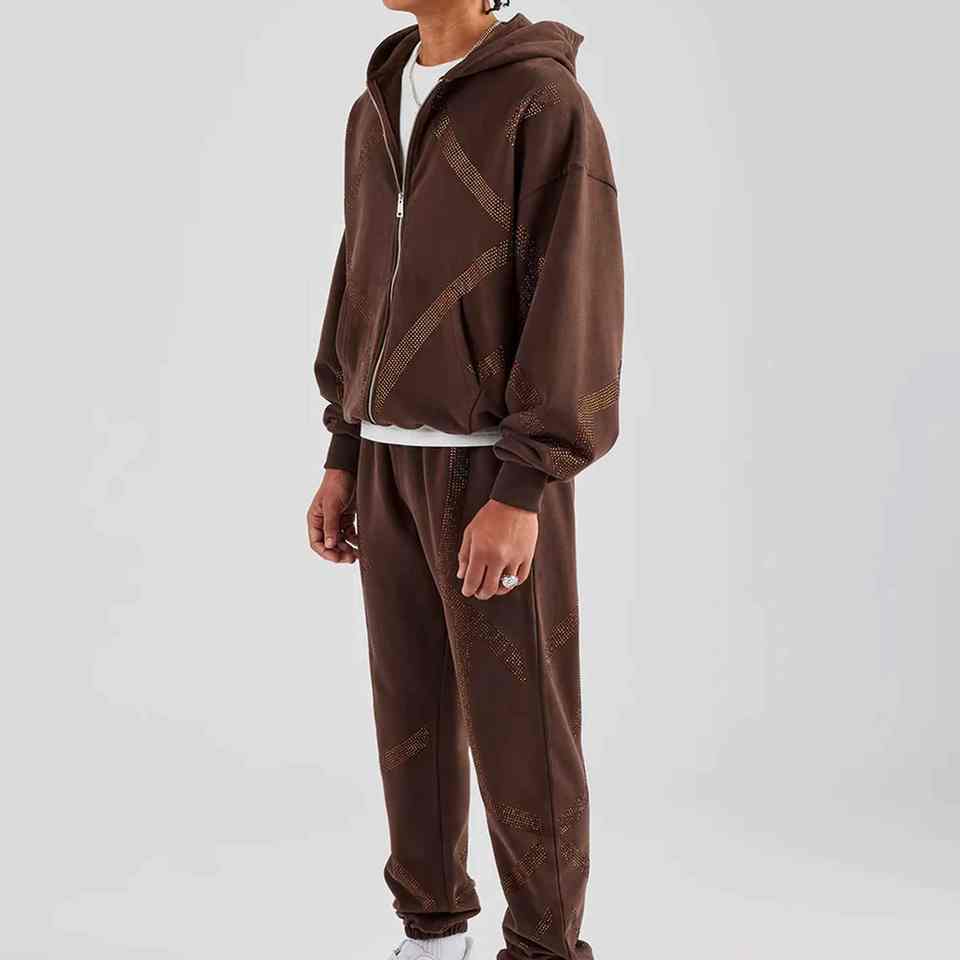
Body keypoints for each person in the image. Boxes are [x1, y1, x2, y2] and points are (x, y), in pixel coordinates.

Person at [307, 1, 623, 958]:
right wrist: (343, 451)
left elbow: (576, 288)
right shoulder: (376, 103)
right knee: (410, 711)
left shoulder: (542, 100)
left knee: (521, 730)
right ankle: (433, 933)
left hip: (491, 463)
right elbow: (360, 272)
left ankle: (545, 948)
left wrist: (523, 488)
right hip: (384, 458)